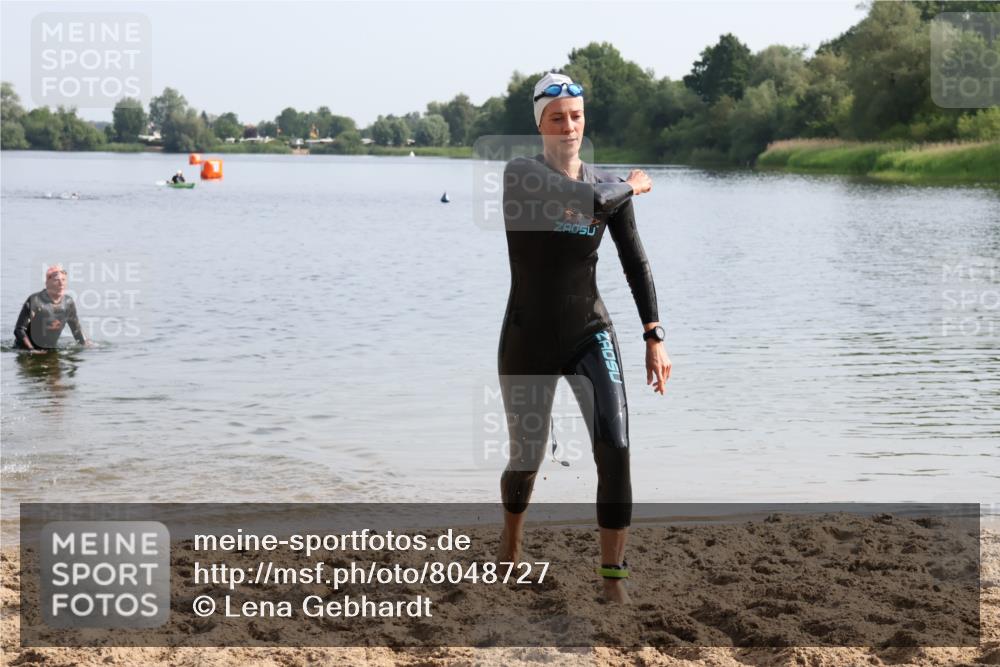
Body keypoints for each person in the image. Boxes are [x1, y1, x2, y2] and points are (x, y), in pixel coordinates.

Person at [497, 72, 672, 603]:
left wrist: (653, 332)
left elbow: (635, 260)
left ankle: (612, 581)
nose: (568, 126)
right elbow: (589, 201)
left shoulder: (607, 186)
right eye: (556, 118)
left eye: (575, 116)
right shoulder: (522, 175)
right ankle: (509, 547)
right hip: (527, 337)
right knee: (527, 458)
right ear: (541, 125)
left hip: (589, 332)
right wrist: (635, 185)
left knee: (615, 446)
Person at [13, 265, 88, 352]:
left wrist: (85, 344)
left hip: (50, 350)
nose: (61, 283)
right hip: (26, 350)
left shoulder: (68, 303)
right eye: (57, 280)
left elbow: (76, 330)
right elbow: (19, 330)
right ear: (47, 282)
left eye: (63, 280)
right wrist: (31, 350)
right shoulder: (35, 301)